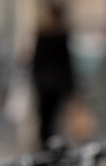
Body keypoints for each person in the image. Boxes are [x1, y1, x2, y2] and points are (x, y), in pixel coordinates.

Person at [31, 3, 75, 149]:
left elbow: (66, 63)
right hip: (46, 86)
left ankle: (50, 147)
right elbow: (37, 62)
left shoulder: (58, 36)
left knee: (52, 119)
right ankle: (45, 147)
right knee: (45, 119)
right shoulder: (44, 35)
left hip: (54, 86)